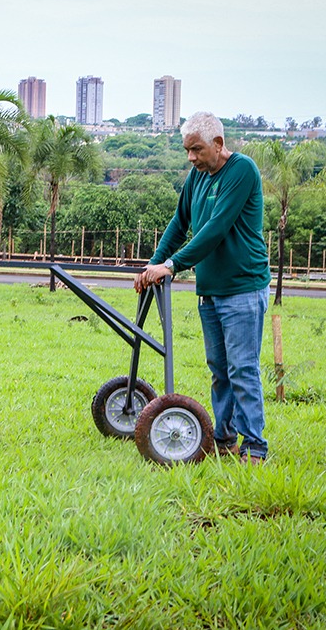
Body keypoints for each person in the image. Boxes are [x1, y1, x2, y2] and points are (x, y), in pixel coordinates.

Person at [134, 111, 272, 464]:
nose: (191, 158)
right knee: (219, 370)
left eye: (196, 150)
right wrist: (154, 263)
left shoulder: (241, 171)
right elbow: (179, 223)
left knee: (242, 369)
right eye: (187, 151)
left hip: (242, 288)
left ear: (218, 144)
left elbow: (215, 228)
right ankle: (223, 440)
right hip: (210, 290)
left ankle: (254, 446)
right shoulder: (197, 178)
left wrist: (172, 265)